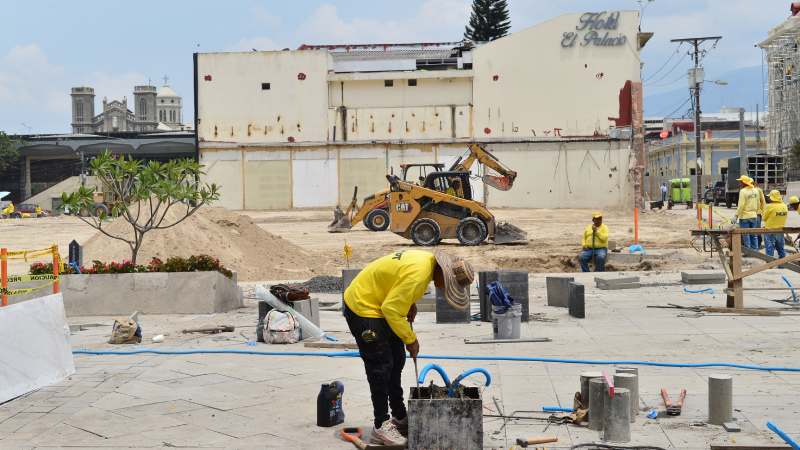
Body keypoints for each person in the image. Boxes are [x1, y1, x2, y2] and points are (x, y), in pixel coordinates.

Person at [343, 249, 474, 446]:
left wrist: (410, 303)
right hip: (363, 306)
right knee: (380, 366)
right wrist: (411, 339)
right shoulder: (419, 275)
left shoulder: (426, 262)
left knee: (396, 361)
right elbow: (391, 309)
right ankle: (381, 425)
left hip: (380, 304)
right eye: (447, 283)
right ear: (443, 271)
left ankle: (399, 416)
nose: (442, 287)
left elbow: (397, 282)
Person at [733, 175, 761, 249]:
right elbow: (758, 203)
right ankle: (755, 250)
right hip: (754, 216)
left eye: (740, 182)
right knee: (754, 235)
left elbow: (741, 205)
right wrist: (755, 212)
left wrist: (736, 215)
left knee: (746, 235)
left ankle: (748, 251)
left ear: (743, 182)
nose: (739, 183)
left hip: (745, 217)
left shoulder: (743, 191)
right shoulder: (755, 190)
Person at [763, 190, 789, 258]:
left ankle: (769, 265)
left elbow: (764, 218)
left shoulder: (769, 206)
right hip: (780, 230)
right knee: (781, 249)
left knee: (769, 249)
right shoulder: (784, 206)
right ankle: (782, 265)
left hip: (770, 230)